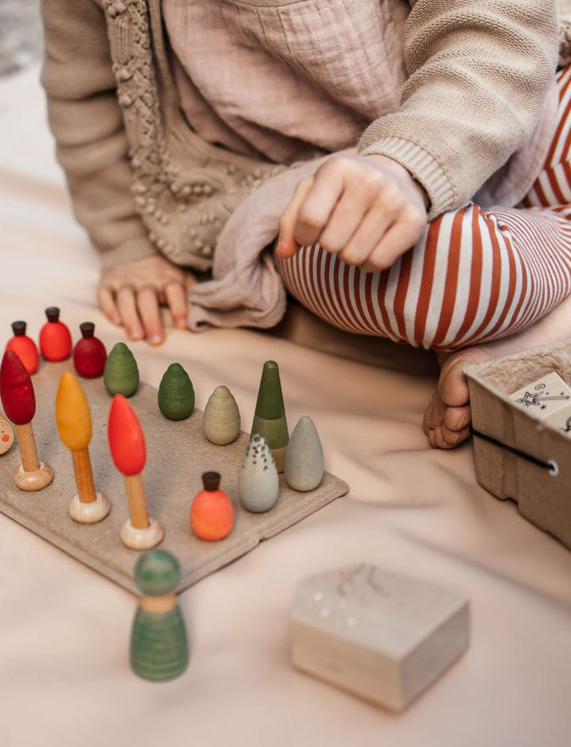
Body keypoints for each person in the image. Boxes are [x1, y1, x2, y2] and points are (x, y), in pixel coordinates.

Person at [40, 0, 571, 449]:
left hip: (486, 108)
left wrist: (405, 164)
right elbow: (85, 88)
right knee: (449, 272)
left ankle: (546, 319)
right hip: (306, 200)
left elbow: (497, 24)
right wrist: (128, 241)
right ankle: (517, 306)